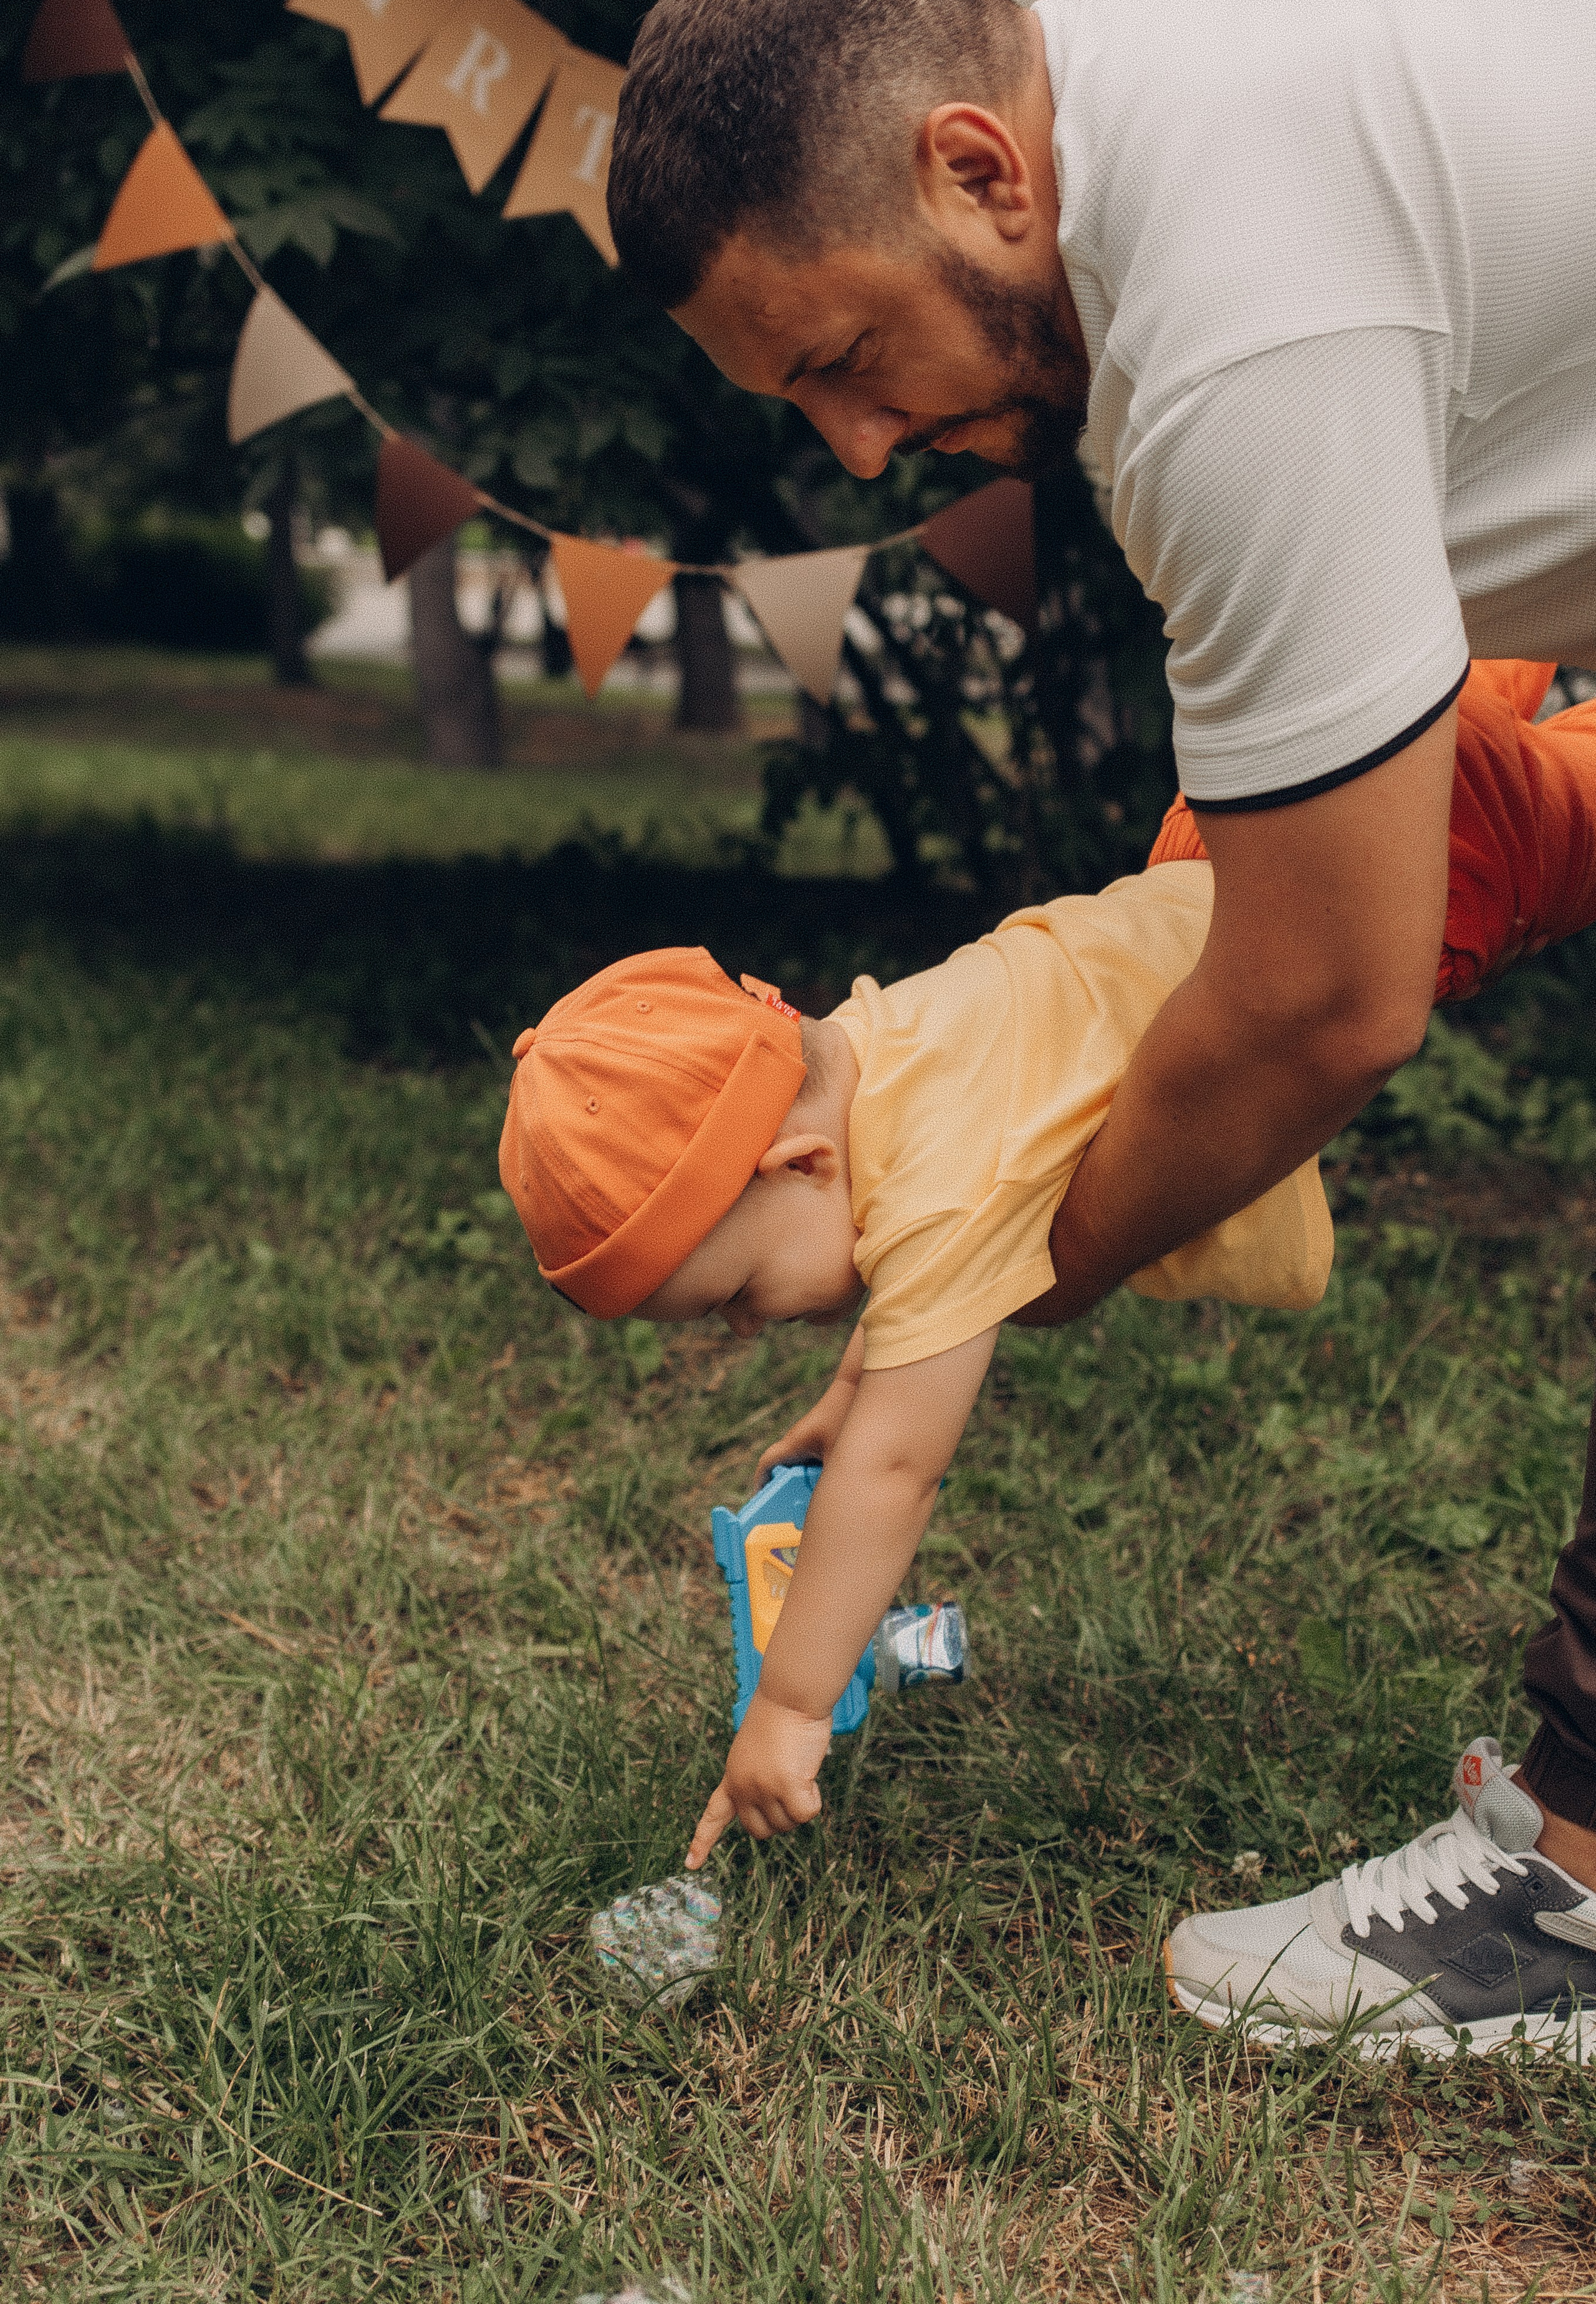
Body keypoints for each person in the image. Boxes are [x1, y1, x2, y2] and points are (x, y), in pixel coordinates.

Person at [598, 0, 1596, 2050]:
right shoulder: (1102, 22)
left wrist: (1029, 1261)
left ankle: (1579, 1905)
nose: (859, 449)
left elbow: (1325, 999)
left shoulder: (1225, 327)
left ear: (980, 171)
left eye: (847, 358)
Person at [502, 661, 1596, 2045]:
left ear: (799, 1163)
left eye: (733, 1296)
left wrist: (787, 1707)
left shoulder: (932, 1188)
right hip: (1237, 842)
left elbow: (895, 1471)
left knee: (1551, 785)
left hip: (1384, 887)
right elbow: (926, 1244)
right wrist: (850, 1385)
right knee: (1431, 667)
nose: (744, 1328)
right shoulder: (882, 1045)